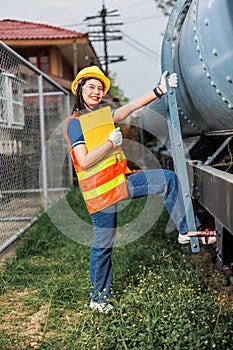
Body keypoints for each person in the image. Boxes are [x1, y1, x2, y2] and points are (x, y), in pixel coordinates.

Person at [64, 66, 216, 313]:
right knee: (103, 244)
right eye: (90, 86)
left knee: (167, 179)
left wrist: (159, 90)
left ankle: (188, 230)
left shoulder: (98, 117)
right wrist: (109, 144)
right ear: (79, 89)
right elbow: (84, 160)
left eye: (100, 87)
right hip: (101, 194)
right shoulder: (75, 124)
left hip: (120, 182)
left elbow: (129, 108)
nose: (96, 91)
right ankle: (98, 299)